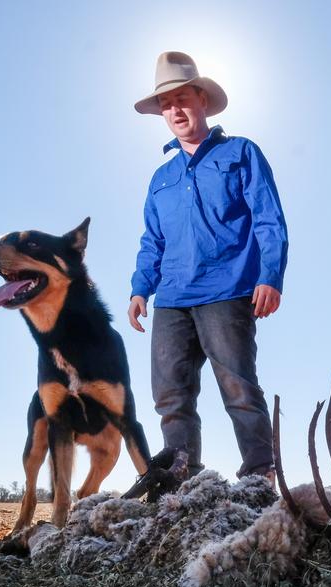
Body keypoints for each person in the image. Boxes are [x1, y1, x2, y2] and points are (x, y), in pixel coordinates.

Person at [127, 51, 288, 480]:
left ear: (201, 99)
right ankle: (180, 481)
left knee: (238, 387)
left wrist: (270, 276)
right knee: (170, 396)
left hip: (229, 289)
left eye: (182, 98)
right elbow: (153, 240)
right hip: (172, 299)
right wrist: (140, 288)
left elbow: (268, 218)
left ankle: (260, 478)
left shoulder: (241, 153)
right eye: (166, 104)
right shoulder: (161, 177)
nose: (175, 110)